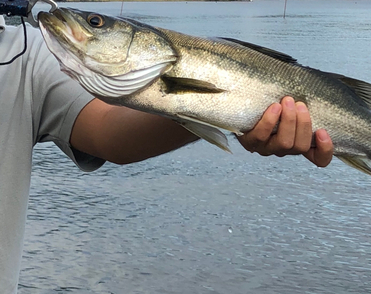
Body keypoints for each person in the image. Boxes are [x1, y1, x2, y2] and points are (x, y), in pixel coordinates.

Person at [0, 15, 334, 293]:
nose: (89, 27)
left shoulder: (24, 53)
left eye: (96, 22)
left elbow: (109, 133)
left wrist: (240, 109)